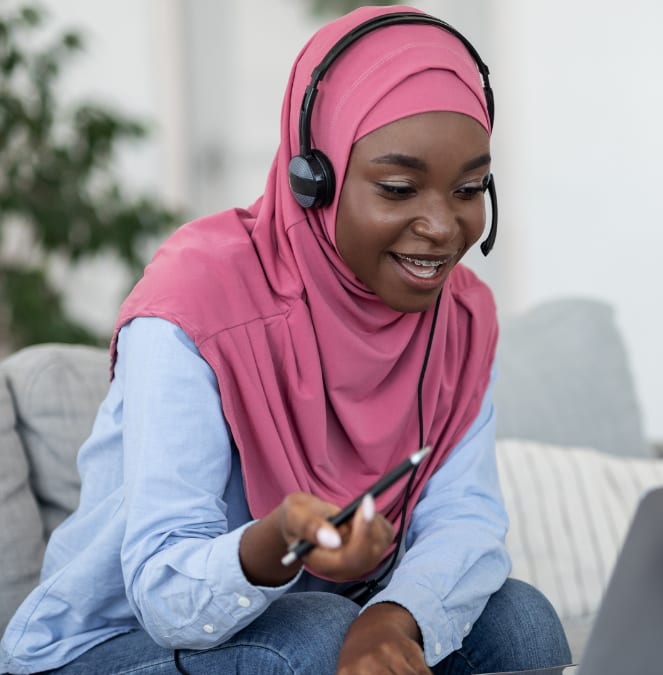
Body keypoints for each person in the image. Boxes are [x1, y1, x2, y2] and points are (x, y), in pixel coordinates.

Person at [0, 6, 570, 675]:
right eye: (398, 187)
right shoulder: (195, 303)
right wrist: (275, 543)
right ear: (314, 181)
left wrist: (393, 618)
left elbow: (464, 517)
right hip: (112, 644)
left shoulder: (461, 318)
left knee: (520, 620)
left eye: (470, 188)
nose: (443, 227)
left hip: (316, 614)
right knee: (316, 632)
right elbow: (162, 591)